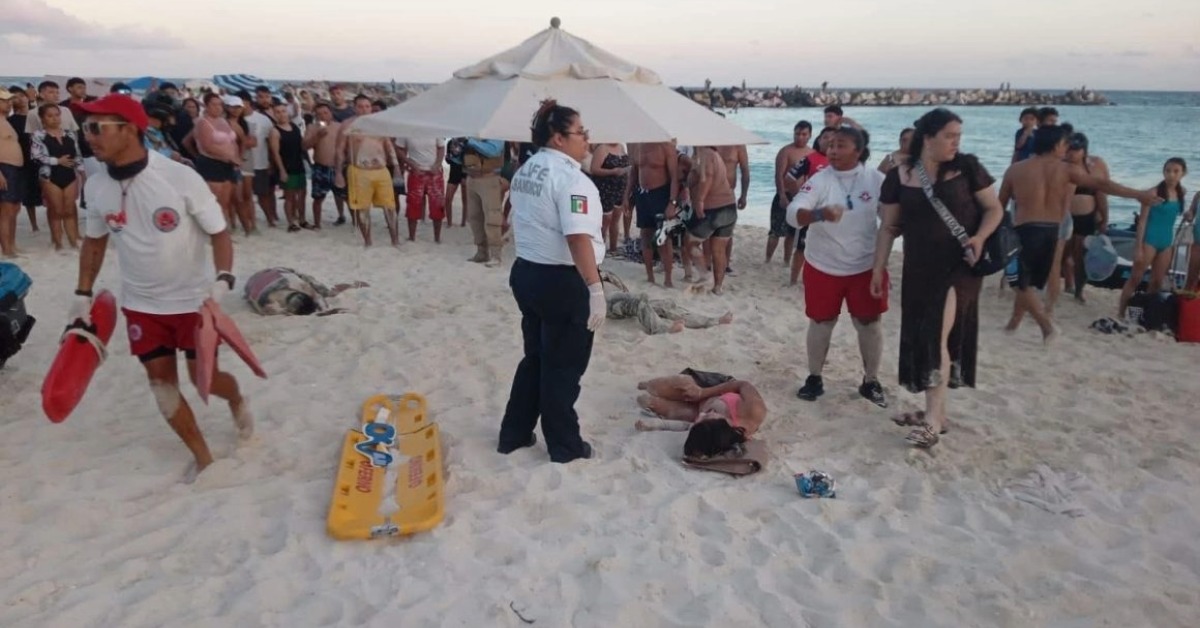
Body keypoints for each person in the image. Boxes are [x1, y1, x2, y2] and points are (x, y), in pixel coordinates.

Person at [70, 94, 251, 477]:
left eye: (96, 127)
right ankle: (203, 458)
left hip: (192, 302)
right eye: (86, 128)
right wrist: (82, 295)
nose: (89, 136)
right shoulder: (97, 186)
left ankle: (236, 401)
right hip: (141, 305)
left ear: (130, 129)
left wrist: (223, 279)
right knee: (161, 384)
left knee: (207, 380)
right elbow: (95, 241)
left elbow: (219, 233)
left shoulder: (179, 177)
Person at [870, 108, 1005, 448]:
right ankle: (939, 415)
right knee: (931, 336)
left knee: (936, 335)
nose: (955, 142)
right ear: (927, 138)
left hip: (960, 266)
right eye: (949, 136)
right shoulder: (899, 175)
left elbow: (994, 208)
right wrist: (878, 268)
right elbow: (889, 226)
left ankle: (931, 421)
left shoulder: (968, 168)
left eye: (959, 136)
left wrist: (980, 237)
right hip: (919, 267)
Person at [497, 100, 605, 464]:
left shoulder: (527, 169)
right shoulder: (572, 179)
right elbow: (578, 238)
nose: (587, 139)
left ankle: (514, 433)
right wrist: (595, 289)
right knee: (563, 367)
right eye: (580, 132)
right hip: (561, 279)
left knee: (536, 358)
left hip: (527, 272)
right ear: (558, 138)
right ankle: (565, 446)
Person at [999, 125, 1159, 338]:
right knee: (1030, 281)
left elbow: (998, 206)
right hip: (1053, 231)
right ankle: (1014, 322)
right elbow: (1102, 184)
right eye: (1065, 144)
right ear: (1056, 145)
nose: (1066, 150)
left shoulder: (1015, 169)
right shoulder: (1066, 170)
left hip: (1026, 230)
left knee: (1018, 281)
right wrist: (1138, 194)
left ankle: (1046, 326)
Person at [787, 126, 888, 407]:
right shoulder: (820, 180)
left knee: (869, 325)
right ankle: (815, 377)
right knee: (821, 323)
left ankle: (871, 380)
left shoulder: (876, 180)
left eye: (840, 145)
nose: (831, 149)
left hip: (865, 266)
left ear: (858, 150)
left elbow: (891, 220)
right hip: (823, 264)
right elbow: (794, 214)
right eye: (830, 144)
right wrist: (819, 213)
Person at [1117, 158, 1189, 319]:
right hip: (1149, 239)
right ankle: (1121, 312)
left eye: (1176, 171)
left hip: (1166, 240)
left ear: (1183, 173)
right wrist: (1138, 248)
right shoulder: (1152, 193)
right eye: (1168, 171)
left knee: (1156, 282)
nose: (1171, 175)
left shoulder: (1181, 192)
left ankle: (1148, 313)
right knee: (1135, 278)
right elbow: (1141, 222)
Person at [633, 374, 766, 459]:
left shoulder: (715, 433)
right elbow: (743, 384)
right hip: (715, 388)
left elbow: (685, 427)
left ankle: (657, 394)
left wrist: (655, 425)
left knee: (647, 402)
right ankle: (649, 384)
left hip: (695, 409)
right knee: (656, 387)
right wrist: (703, 393)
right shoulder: (754, 411)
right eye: (709, 415)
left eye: (703, 418)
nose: (703, 415)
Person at [335, 94, 401, 246]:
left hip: (381, 169)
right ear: (354, 107)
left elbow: (389, 147)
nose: (364, 110)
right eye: (360, 106)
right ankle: (368, 241)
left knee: (389, 206)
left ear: (371, 107)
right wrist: (338, 173)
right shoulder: (347, 125)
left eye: (367, 106)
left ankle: (395, 240)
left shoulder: (379, 125)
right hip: (359, 170)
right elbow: (339, 150)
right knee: (362, 208)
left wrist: (396, 167)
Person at [599, 269, 731, 334]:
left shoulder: (598, 270)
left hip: (623, 295)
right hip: (607, 304)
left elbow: (613, 278)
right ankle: (662, 329)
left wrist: (625, 291)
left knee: (666, 304)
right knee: (639, 304)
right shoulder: (582, 276)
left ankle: (712, 321)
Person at [681, 145, 738, 293]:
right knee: (718, 250)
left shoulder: (706, 154)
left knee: (689, 242)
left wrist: (699, 200)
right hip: (729, 207)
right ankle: (717, 288)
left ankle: (704, 274)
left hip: (713, 208)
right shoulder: (713, 155)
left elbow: (708, 177)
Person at [1062, 133, 1110, 302]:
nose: (1071, 153)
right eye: (1068, 150)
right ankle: (1067, 283)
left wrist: (1105, 217)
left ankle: (1078, 291)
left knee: (1081, 257)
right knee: (1061, 254)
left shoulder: (1096, 165)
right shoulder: (1061, 165)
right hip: (1064, 217)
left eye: (1075, 150)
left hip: (1086, 217)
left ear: (1084, 150)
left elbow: (1102, 192)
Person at [626, 141, 680, 286]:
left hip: (661, 194)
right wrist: (626, 196)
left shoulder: (666, 147)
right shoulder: (639, 146)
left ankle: (668, 278)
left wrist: (672, 202)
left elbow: (675, 177)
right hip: (643, 194)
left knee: (663, 238)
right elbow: (633, 173)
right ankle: (650, 276)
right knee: (645, 235)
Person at [30, 104, 83, 250]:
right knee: (56, 210)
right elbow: (36, 156)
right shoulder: (38, 135)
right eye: (50, 115)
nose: (55, 118)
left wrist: (82, 173)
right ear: (42, 118)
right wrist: (57, 161)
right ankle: (58, 242)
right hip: (50, 176)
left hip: (70, 175)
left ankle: (73, 241)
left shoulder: (70, 134)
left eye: (57, 115)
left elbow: (77, 155)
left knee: (70, 209)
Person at [768, 121, 813, 264]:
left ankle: (787, 260)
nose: (800, 137)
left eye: (803, 134)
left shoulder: (811, 153)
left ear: (809, 136)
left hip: (801, 197)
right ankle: (767, 259)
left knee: (792, 232)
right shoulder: (786, 151)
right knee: (775, 230)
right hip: (785, 194)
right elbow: (779, 175)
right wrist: (781, 194)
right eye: (797, 134)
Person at [243, 267, 367, 316]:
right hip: (273, 272)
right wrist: (325, 310)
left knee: (315, 288)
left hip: (262, 277)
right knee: (324, 291)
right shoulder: (295, 283)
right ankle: (331, 291)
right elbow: (317, 296)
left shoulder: (267, 305)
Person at [462, 137, 506, 265]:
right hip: (471, 177)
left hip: (489, 177)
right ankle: (481, 251)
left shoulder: (496, 132)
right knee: (474, 216)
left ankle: (496, 255)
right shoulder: (471, 131)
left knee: (492, 217)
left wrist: (470, 142)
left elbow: (494, 150)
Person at [267, 101, 308, 231]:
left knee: (302, 195)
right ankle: (291, 223)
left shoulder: (294, 127)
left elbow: (301, 146)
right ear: (274, 114)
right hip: (287, 168)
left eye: (283, 111)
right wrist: (282, 171)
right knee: (289, 197)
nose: (281, 114)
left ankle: (302, 219)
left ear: (287, 112)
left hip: (299, 165)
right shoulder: (275, 131)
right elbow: (275, 153)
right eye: (277, 112)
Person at [398, 136, 446, 242]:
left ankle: (437, 238)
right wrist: (410, 163)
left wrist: (437, 164)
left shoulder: (433, 127)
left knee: (437, 204)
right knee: (413, 203)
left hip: (434, 173)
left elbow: (441, 147)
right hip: (416, 173)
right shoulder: (406, 130)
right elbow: (399, 148)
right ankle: (412, 237)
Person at [589, 142, 630, 253]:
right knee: (605, 220)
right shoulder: (602, 148)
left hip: (620, 187)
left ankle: (613, 248)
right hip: (605, 188)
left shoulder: (621, 147)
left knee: (616, 219)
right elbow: (594, 169)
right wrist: (613, 171)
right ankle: (599, 248)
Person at [0, 88, 25, 257]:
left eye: (9, 101)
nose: (9, 103)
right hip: (4, 168)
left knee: (15, 208)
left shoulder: (5, 120)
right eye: (5, 101)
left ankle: (12, 245)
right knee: (6, 210)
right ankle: (7, 248)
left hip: (15, 168)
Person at [1184, 190, 1200, 291]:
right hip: (1197, 241)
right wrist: (1188, 215)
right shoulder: (1198, 195)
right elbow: (1190, 217)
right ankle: (1187, 304)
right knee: (1191, 277)